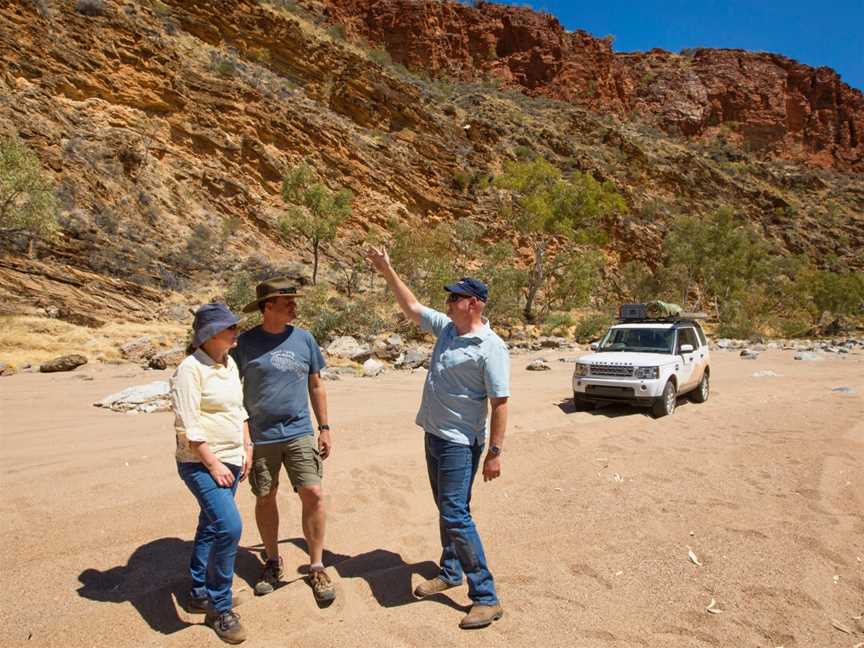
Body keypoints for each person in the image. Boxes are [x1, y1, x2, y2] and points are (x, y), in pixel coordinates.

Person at [366, 248, 510, 630]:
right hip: (434, 434)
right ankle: (450, 570)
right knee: (448, 509)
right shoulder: (447, 328)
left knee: (455, 514)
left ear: (474, 304)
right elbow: (411, 306)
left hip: (461, 443)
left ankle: (486, 596)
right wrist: (388, 269)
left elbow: (500, 404)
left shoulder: (490, 347)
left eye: (454, 297)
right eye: (448, 297)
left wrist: (495, 453)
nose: (447, 302)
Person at [230, 278, 336, 603]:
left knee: (314, 493)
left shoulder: (304, 339)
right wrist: (243, 437)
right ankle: (273, 561)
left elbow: (316, 386)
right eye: (286, 301)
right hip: (261, 437)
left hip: (300, 431)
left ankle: (316, 565)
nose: (294, 306)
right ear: (268, 307)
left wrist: (325, 426)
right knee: (265, 496)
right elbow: (231, 392)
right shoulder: (244, 344)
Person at [171, 303, 252, 644]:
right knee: (230, 526)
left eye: (234, 327)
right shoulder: (190, 369)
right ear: (209, 335)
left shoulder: (228, 363)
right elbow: (189, 424)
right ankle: (219, 606)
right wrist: (213, 463)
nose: (235, 332)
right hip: (200, 462)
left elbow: (238, 408)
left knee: (210, 524)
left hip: (232, 457)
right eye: (229, 328)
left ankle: (199, 590)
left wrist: (247, 446)